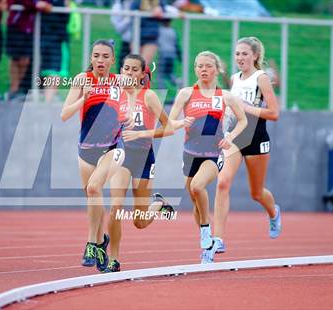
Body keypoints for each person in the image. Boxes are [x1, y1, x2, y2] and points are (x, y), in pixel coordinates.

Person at [61, 40, 133, 272]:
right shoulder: (82, 80)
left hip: (113, 147)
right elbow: (64, 114)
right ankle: (102, 240)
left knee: (94, 188)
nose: (100, 60)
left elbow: (133, 99)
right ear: (91, 58)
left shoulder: (120, 81)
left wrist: (130, 113)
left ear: (113, 61)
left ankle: (92, 244)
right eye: (96, 56)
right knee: (92, 196)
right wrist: (83, 98)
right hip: (86, 148)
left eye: (105, 56)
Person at [169, 51, 247, 263]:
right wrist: (179, 123)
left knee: (197, 186)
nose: (203, 70)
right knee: (196, 203)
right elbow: (170, 121)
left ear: (217, 70)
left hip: (213, 155)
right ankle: (209, 246)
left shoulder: (225, 96)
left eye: (208, 66)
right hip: (190, 154)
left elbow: (243, 121)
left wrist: (230, 137)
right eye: (200, 66)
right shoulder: (186, 93)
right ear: (195, 69)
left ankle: (206, 231)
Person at [105, 54, 175, 272]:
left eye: (135, 70)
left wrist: (142, 133)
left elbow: (169, 128)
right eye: (126, 68)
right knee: (116, 206)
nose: (129, 73)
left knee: (140, 222)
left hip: (144, 157)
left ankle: (159, 204)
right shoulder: (114, 94)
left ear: (142, 74)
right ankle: (113, 259)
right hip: (121, 156)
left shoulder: (149, 96)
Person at [213, 37, 281, 254]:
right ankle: (218, 239)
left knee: (257, 193)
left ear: (255, 56)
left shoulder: (262, 79)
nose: (240, 58)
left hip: (256, 138)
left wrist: (247, 107)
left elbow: (274, 113)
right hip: (234, 137)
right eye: (237, 54)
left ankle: (273, 213)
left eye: (244, 54)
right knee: (222, 183)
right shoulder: (234, 79)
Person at [5, 0, 52, 101]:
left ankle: (18, 88)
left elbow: (46, 4)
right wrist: (36, 5)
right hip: (16, 26)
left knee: (25, 60)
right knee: (15, 58)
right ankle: (13, 89)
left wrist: (45, 4)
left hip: (30, 29)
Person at [40, 0, 70, 102]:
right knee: (54, 72)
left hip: (45, 37)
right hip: (56, 39)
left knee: (48, 72)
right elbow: (64, 19)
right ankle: (47, 104)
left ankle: (49, 98)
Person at [131, 0, 165, 65]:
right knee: (133, 64)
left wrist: (160, 9)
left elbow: (165, 10)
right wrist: (150, 13)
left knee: (143, 65)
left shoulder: (160, 2)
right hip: (137, 36)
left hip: (151, 38)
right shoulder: (138, 2)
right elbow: (132, 12)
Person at [157, 18, 182, 89]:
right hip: (172, 55)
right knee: (169, 73)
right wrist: (179, 56)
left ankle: (161, 92)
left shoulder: (160, 30)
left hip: (163, 54)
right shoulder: (173, 31)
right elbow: (176, 44)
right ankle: (179, 82)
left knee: (160, 75)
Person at [110, 0, 133, 70]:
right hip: (126, 42)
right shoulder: (117, 7)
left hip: (142, 42)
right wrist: (129, 19)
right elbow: (118, 28)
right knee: (122, 69)